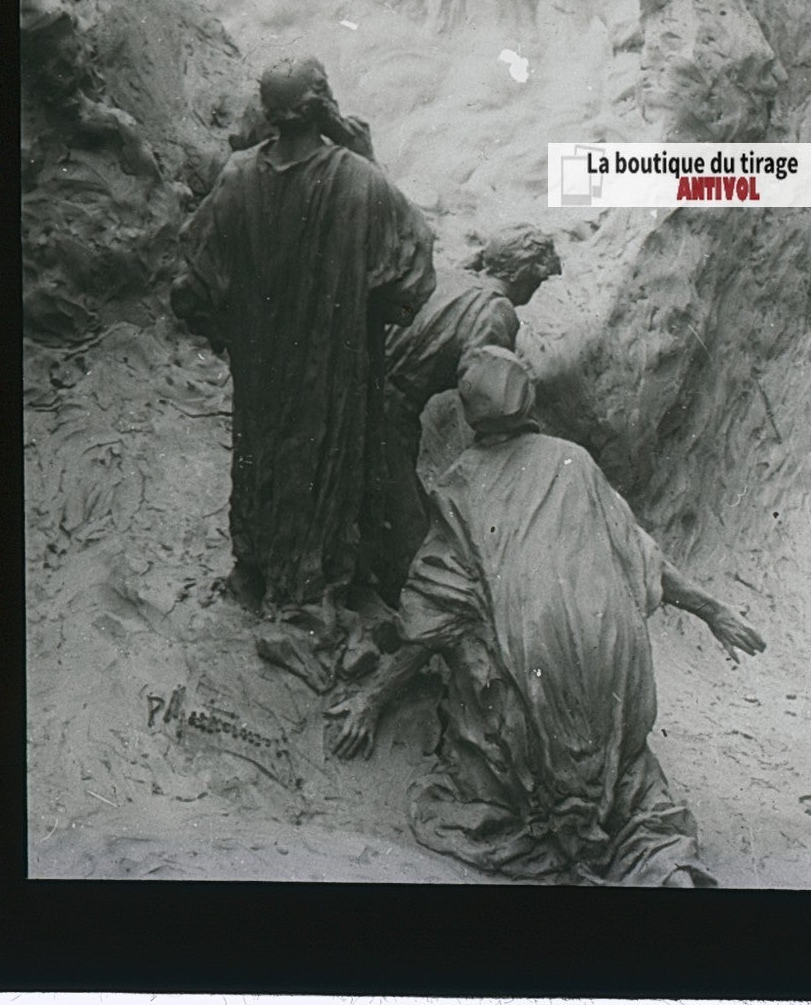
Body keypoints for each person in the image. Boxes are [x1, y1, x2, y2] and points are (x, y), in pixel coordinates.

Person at [328, 347, 767, 888]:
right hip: (615, 679)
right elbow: (641, 552)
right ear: (527, 399)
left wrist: (372, 701)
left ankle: (556, 821)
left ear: (469, 410)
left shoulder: (461, 483)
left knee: (494, 738)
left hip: (531, 697)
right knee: (630, 783)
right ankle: (657, 861)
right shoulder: (574, 462)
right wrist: (713, 611)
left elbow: (434, 612)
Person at [170, 56, 436, 616]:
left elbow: (192, 281)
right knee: (328, 462)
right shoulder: (359, 179)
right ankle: (316, 585)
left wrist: (231, 334)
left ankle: (253, 569)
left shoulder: (237, 176)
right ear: (325, 106)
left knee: (258, 454)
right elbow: (412, 266)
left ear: (268, 111)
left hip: (260, 363)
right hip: (334, 363)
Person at [369, 224, 563, 602]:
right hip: (389, 412)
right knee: (411, 532)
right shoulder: (496, 310)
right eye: (537, 282)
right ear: (524, 276)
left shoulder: (445, 277)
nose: (534, 291)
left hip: (359, 385)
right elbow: (485, 394)